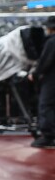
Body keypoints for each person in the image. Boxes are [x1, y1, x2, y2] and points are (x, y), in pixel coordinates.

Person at [27, 15, 55, 148]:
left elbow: (45, 62)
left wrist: (35, 74)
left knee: (46, 106)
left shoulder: (52, 42)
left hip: (52, 80)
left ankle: (48, 137)